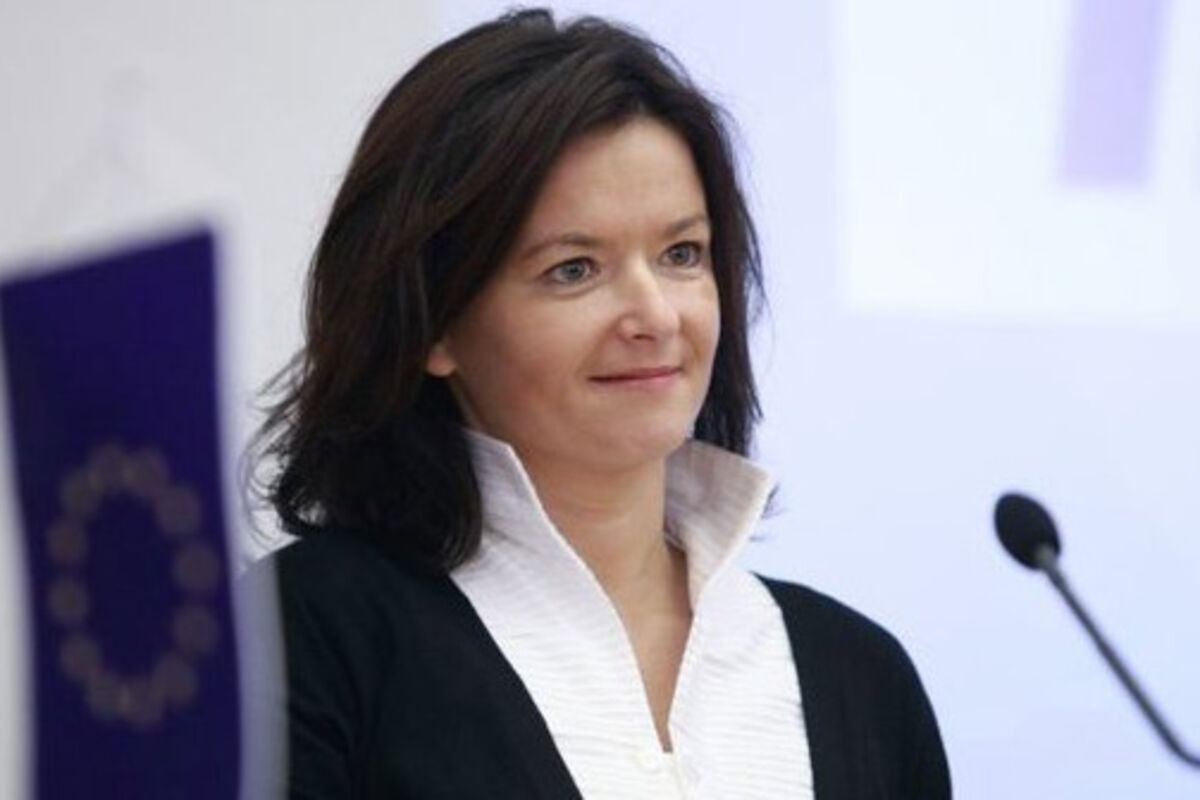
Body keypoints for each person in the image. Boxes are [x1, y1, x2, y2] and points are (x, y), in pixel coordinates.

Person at [249, 8, 951, 798]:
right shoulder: (300, 635)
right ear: (434, 323)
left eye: (682, 254)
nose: (656, 315)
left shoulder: (863, 677)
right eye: (574, 269)